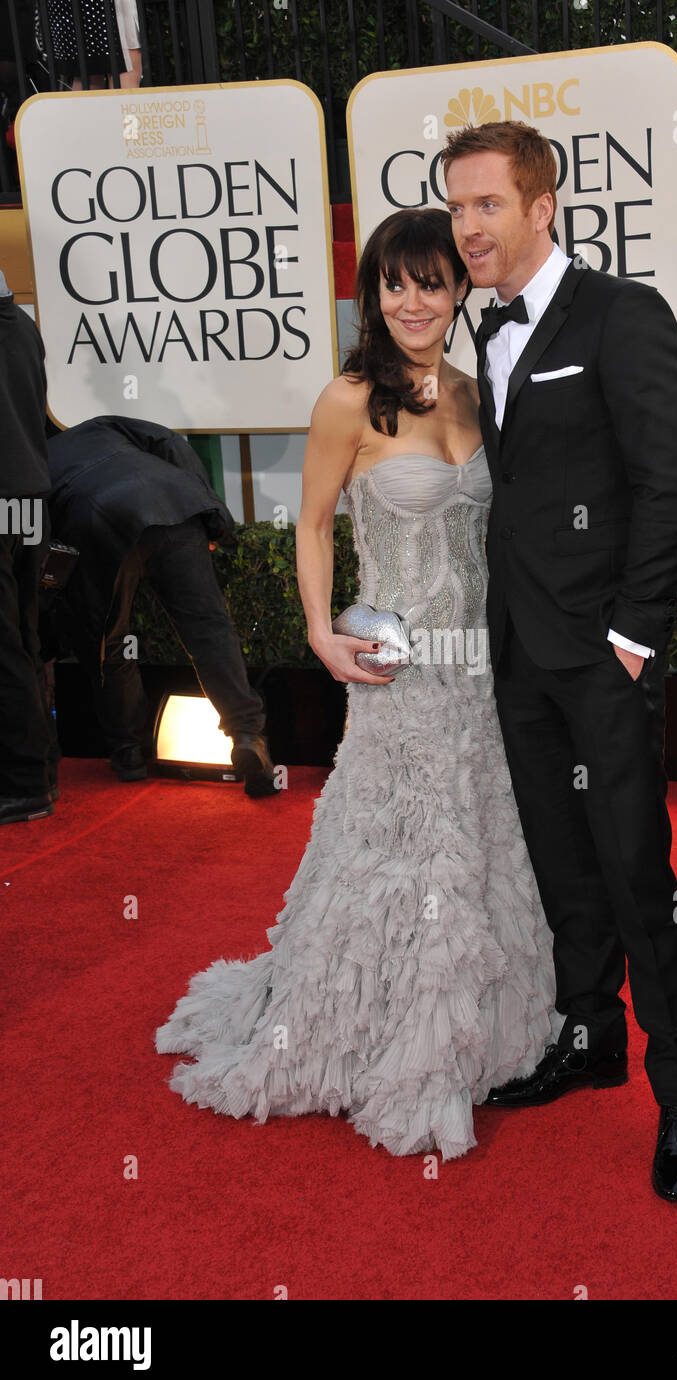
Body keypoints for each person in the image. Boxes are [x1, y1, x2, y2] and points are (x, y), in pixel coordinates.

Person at [155, 208, 559, 1160]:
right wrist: (317, 633)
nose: (413, 300)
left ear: (462, 289)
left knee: (480, 843)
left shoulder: (476, 390)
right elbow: (312, 523)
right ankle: (380, 1039)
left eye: (432, 280)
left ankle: (481, 1029)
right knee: (395, 849)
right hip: (400, 668)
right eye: (393, 283)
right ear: (373, 296)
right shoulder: (348, 400)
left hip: (480, 669)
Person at [442, 121, 677, 1202]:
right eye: (456, 209)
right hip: (522, 660)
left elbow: (667, 485)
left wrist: (633, 639)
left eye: (487, 206)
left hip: (604, 662)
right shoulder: (486, 330)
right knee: (564, 867)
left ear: (542, 205)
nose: (468, 229)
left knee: (640, 875)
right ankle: (593, 1034)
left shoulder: (622, 315)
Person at [46, 416, 277, 797]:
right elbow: (168, 440)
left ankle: (129, 753)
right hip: (171, 502)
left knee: (110, 642)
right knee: (208, 630)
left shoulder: (29, 462)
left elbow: (38, 541)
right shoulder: (100, 426)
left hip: (95, 522)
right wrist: (212, 512)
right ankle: (248, 734)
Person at [0, 265, 55, 826]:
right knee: (25, 639)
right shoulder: (21, 324)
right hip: (30, 500)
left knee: (7, 647)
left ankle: (24, 784)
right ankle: (41, 773)